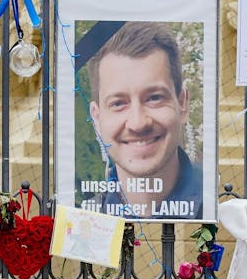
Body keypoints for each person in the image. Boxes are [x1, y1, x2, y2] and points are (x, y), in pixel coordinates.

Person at [77, 21, 204, 220]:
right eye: (118, 103)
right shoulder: (84, 219)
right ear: (96, 117)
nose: (138, 123)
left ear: (183, 104)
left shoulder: (222, 206)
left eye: (154, 98)